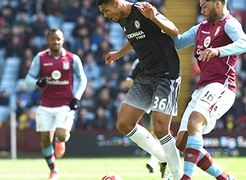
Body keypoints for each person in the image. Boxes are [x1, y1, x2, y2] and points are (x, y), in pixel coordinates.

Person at [96, 0, 182, 179]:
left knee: (160, 128)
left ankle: (179, 176)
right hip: (146, 74)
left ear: (116, 3)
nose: (105, 15)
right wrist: (119, 53)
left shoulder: (143, 9)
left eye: (106, 10)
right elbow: (134, 36)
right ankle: (162, 158)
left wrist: (155, 18)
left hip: (166, 73)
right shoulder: (122, 18)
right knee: (124, 123)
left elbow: (174, 31)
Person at [172, 0, 246, 179]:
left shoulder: (229, 24)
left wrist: (218, 51)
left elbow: (245, 44)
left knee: (194, 123)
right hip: (202, 87)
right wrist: (161, 26)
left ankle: (186, 177)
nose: (202, 9)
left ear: (217, 4)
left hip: (221, 85)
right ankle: (224, 177)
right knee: (182, 142)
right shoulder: (200, 28)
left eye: (204, 5)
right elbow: (179, 43)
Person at [25, 28, 87, 180]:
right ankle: (53, 171)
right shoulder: (40, 58)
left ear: (63, 40)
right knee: (46, 138)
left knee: (61, 134)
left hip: (65, 103)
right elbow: (28, 80)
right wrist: (37, 83)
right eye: (52, 39)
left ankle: (60, 141)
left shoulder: (73, 58)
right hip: (46, 104)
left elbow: (82, 79)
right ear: (47, 41)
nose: (56, 41)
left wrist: (76, 97)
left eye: (58, 39)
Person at [125, 58, 159, 173]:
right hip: (144, 102)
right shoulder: (138, 61)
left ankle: (155, 162)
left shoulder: (162, 58)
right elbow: (128, 81)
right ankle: (160, 159)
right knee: (151, 132)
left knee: (158, 131)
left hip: (159, 99)